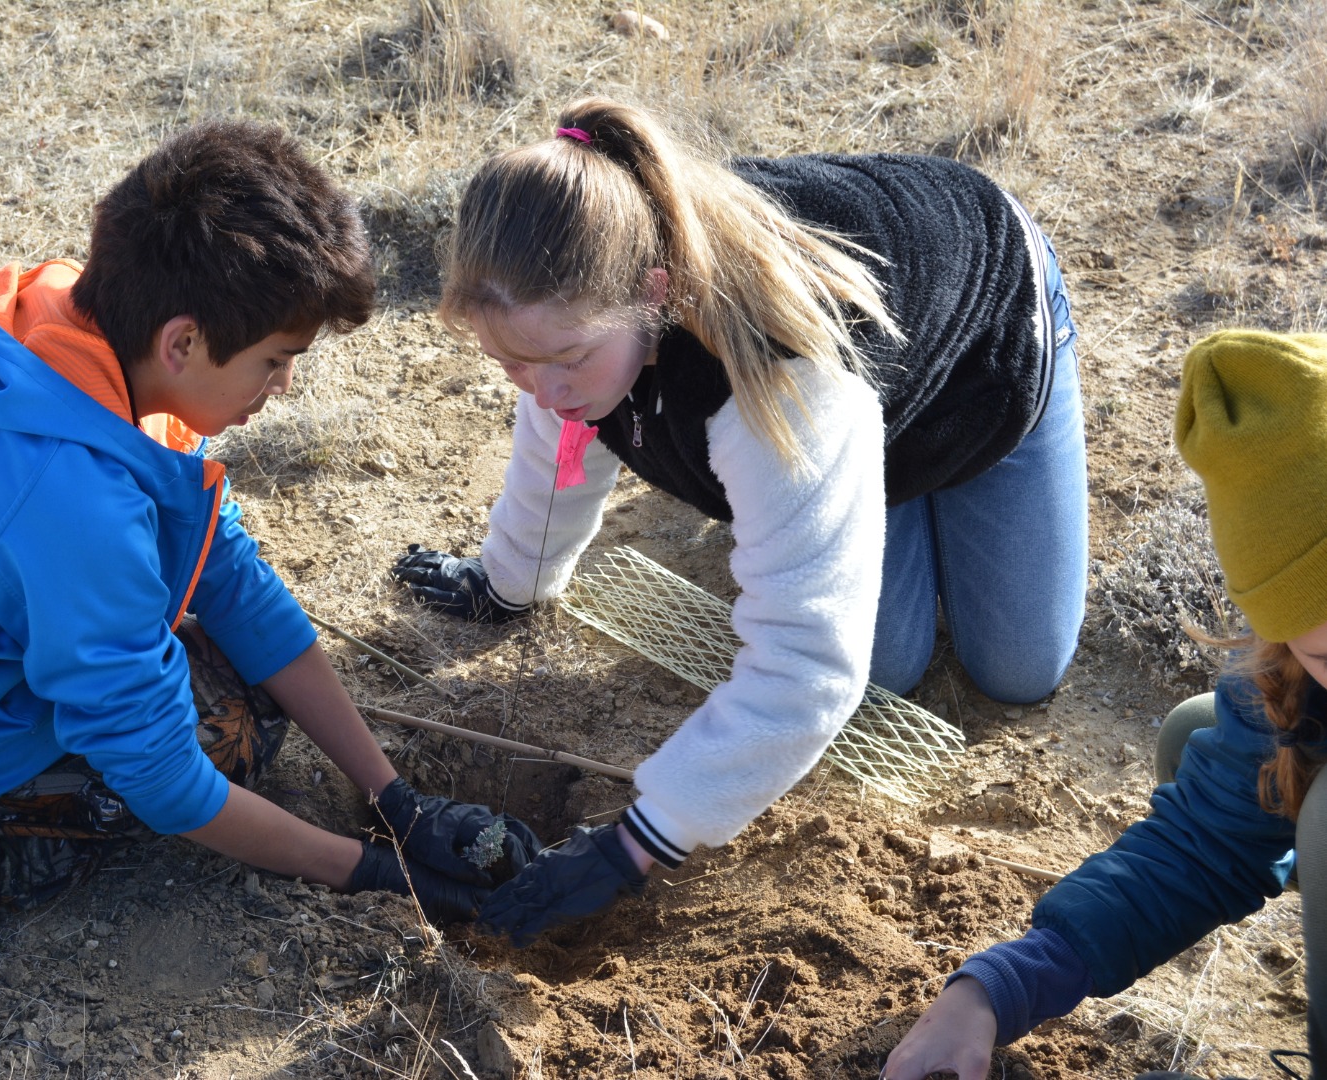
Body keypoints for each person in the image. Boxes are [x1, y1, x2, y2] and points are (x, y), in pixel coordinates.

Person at [0, 120, 537, 953]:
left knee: (211, 667)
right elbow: (167, 782)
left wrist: (396, 800)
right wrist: (376, 872)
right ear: (184, 341)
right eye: (275, 359)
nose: (284, 385)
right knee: (233, 732)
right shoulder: (74, 506)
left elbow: (233, 580)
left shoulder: (44, 323)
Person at [389, 96, 1087, 944]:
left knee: (1016, 670)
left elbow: (806, 668)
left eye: (566, 360)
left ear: (652, 294)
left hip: (985, 357)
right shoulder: (568, 336)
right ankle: (857, 492)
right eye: (513, 365)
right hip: (850, 422)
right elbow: (557, 448)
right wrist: (507, 585)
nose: (544, 392)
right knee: (888, 670)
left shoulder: (776, 381)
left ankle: (902, 480)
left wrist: (636, 845)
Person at [882, 329, 1325, 1080]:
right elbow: (1204, 848)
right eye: (1321, 655)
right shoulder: (1290, 674)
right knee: (1206, 739)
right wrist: (997, 989)